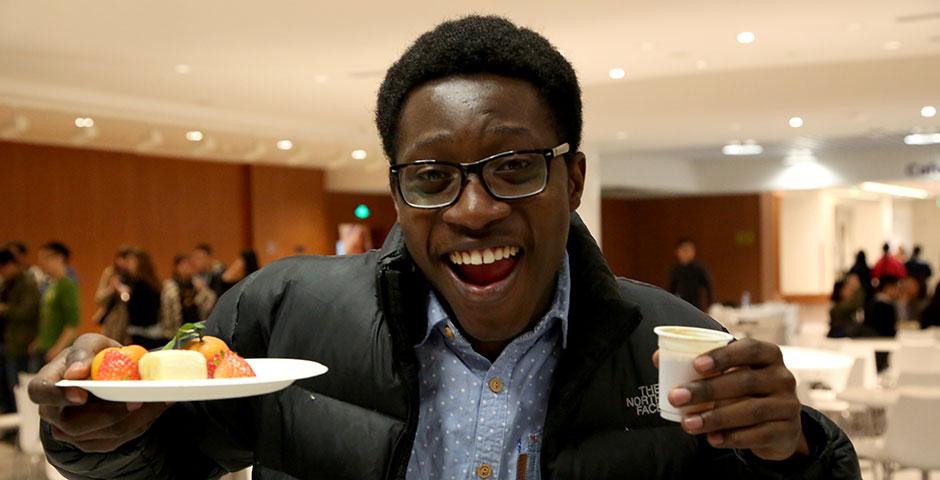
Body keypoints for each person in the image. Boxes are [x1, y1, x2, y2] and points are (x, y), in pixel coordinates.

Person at [29, 16, 859, 479]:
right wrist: (96, 429)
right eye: (431, 177)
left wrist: (797, 450)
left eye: (512, 169)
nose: (472, 210)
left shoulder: (672, 343)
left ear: (571, 177)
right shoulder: (284, 314)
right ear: (398, 192)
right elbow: (155, 465)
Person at [28, 242, 79, 371]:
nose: (41, 263)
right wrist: (38, 340)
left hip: (55, 350)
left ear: (59, 258)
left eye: (45, 258)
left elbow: (72, 323)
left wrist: (58, 348)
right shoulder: (51, 285)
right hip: (44, 347)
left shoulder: (67, 285)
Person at [0, 248, 40, 413]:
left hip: (23, 344)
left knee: (19, 387)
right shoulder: (7, 284)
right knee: (7, 387)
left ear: (10, 265)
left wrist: (4, 309)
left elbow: (28, 311)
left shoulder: (28, 283)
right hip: (8, 343)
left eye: (3, 268)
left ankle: (23, 427)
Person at [160, 254, 216, 337]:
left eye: (188, 265)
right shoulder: (170, 285)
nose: (186, 268)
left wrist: (203, 290)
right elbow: (166, 311)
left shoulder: (196, 283)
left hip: (195, 324)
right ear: (176, 268)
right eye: (182, 265)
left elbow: (211, 299)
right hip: (176, 327)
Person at [92, 245, 134, 344]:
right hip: (111, 320)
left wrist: (121, 289)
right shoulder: (110, 273)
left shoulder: (134, 275)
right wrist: (111, 289)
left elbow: (128, 298)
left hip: (129, 321)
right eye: (122, 258)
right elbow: (98, 298)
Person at [123, 249, 165, 350]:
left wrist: (124, 294)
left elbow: (138, 311)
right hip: (154, 332)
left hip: (143, 335)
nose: (128, 265)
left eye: (131, 261)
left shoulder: (141, 284)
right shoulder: (152, 281)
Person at [668, 238, 715, 311]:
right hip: (680, 303)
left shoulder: (699, 268)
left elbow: (708, 286)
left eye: (689, 250)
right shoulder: (675, 269)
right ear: (677, 252)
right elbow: (671, 289)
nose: (686, 253)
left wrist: (710, 305)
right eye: (684, 250)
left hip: (695, 305)